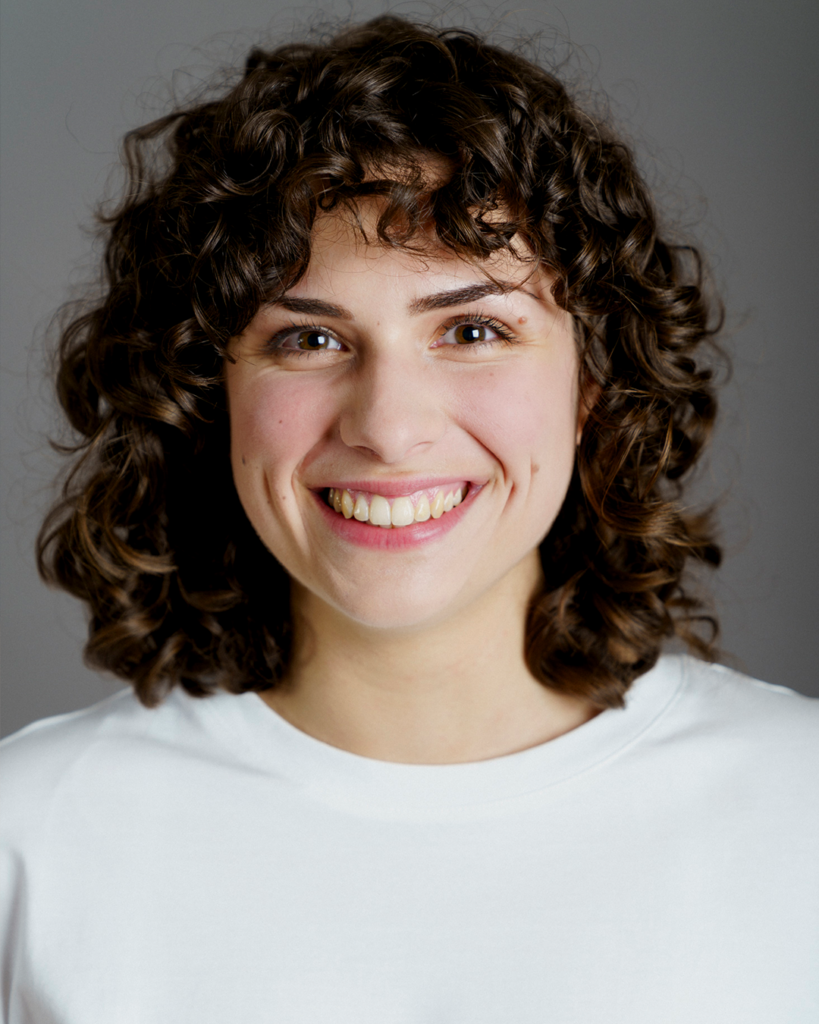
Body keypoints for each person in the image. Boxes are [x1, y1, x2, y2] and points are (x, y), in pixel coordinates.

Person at [1, 15, 817, 1023]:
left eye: (472, 330)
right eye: (308, 339)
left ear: (593, 387)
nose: (388, 429)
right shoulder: (30, 839)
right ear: (212, 394)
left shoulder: (801, 810)